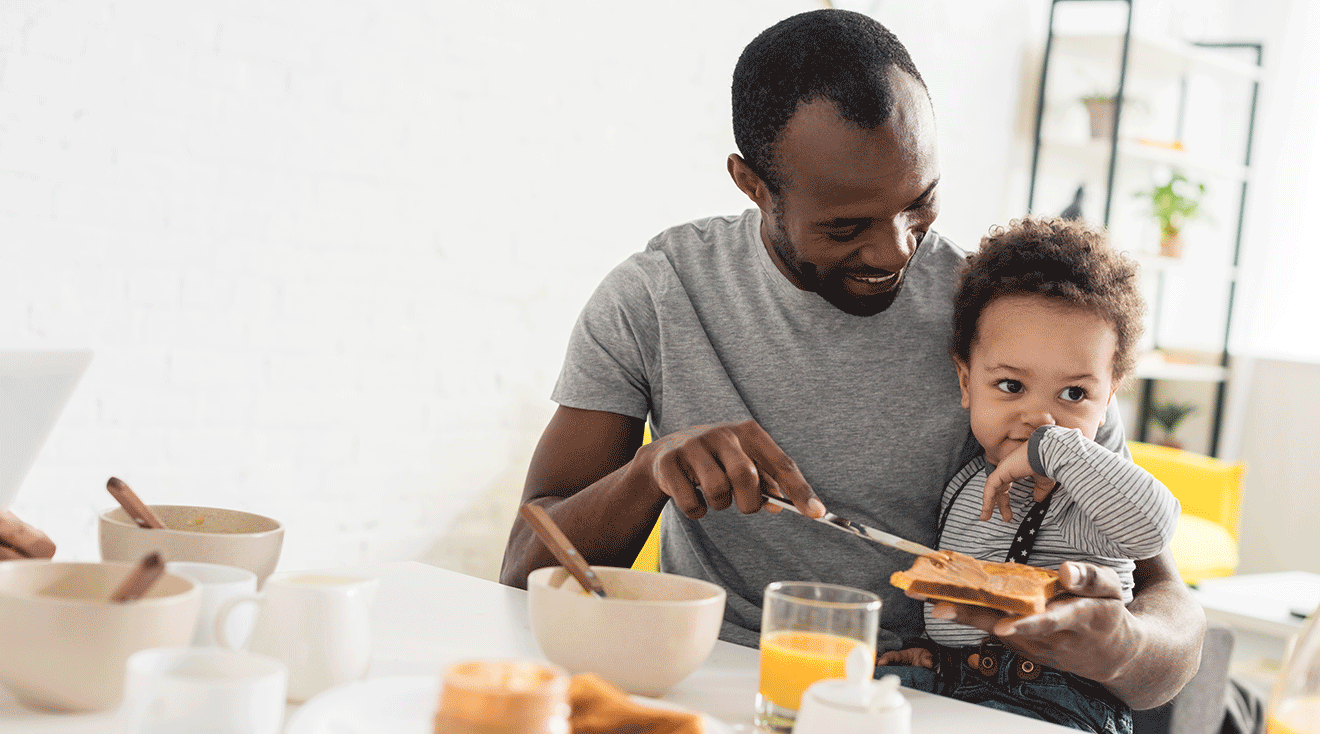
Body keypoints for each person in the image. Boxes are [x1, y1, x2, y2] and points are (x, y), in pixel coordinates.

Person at [501, 8, 1205, 713]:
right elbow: (523, 574)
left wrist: (1120, 646)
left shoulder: (1006, 320)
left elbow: (1167, 623)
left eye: (920, 203)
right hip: (734, 688)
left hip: (941, 700)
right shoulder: (658, 297)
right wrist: (648, 472)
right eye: (845, 226)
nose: (896, 250)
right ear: (752, 184)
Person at [875, 217, 1180, 732]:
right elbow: (953, 604)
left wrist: (1058, 450)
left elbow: (1155, 526)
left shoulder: (1093, 488)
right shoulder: (963, 486)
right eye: (1011, 386)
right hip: (957, 681)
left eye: (1074, 395)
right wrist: (930, 653)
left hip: (1065, 698)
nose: (1040, 418)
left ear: (1109, 398)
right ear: (966, 381)